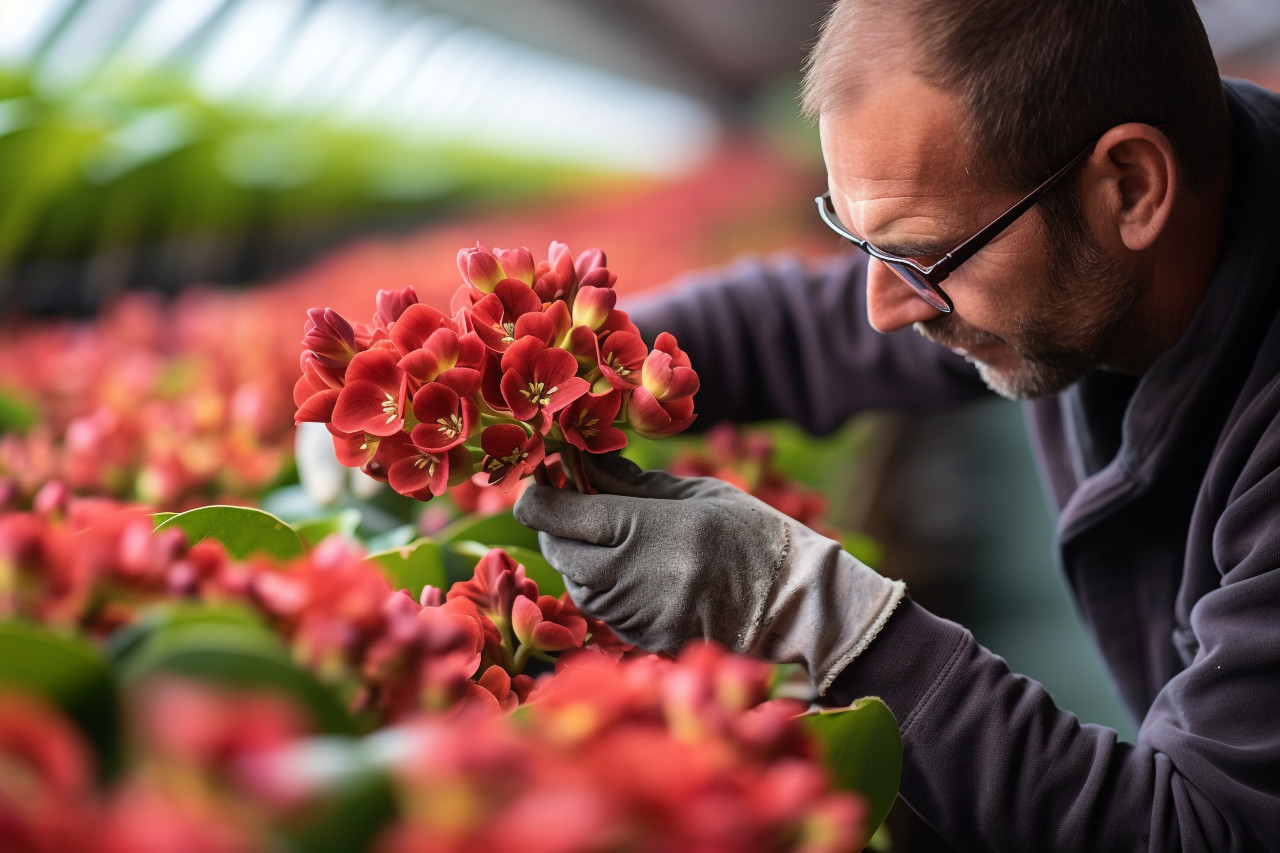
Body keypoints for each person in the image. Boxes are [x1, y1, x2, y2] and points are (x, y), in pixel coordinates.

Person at [514, 0, 1280, 849]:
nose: (881, 309)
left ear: (1131, 187)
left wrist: (807, 609)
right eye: (860, 241)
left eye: (920, 255)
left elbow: (1203, 829)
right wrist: (547, 369)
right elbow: (806, 327)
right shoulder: (1085, 250)